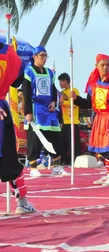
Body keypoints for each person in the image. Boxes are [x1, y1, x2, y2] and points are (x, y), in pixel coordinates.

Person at [72, 54, 109, 186]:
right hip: (98, 119)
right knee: (102, 149)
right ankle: (107, 174)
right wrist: (76, 98)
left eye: (107, 65)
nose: (105, 68)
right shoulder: (93, 84)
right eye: (103, 65)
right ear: (97, 66)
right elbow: (88, 104)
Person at [0, 41, 36, 214]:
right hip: (2, 110)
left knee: (8, 157)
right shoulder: (9, 52)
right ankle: (22, 200)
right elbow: (17, 81)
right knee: (8, 158)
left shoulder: (8, 52)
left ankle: (22, 201)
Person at [22, 46, 67, 177]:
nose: (44, 58)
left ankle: (56, 166)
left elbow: (53, 90)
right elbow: (26, 92)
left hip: (49, 110)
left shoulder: (49, 72)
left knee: (55, 137)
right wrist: (28, 112)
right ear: (35, 57)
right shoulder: (29, 71)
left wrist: (54, 102)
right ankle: (33, 167)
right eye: (41, 55)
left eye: (46, 56)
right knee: (35, 139)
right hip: (36, 109)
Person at [58, 73, 82, 163]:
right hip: (63, 122)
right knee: (63, 143)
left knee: (73, 144)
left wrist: (63, 102)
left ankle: (75, 160)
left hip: (72, 121)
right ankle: (65, 160)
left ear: (65, 81)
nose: (60, 84)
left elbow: (75, 103)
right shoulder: (61, 93)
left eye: (60, 81)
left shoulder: (73, 90)